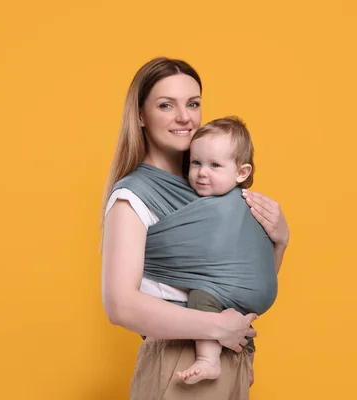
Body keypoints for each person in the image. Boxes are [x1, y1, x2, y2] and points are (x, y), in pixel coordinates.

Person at [102, 57, 289, 399]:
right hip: (181, 364)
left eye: (192, 103)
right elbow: (120, 305)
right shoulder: (133, 197)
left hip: (231, 358)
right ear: (140, 116)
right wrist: (217, 326)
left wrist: (279, 242)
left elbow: (234, 281)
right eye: (165, 105)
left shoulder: (210, 183)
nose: (184, 117)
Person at [174, 116, 277, 385]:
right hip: (254, 291)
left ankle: (208, 360)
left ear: (241, 173)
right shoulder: (247, 204)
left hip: (234, 283)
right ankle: (248, 359)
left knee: (200, 297)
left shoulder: (230, 206)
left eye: (214, 165)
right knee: (236, 317)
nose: (202, 172)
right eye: (196, 163)